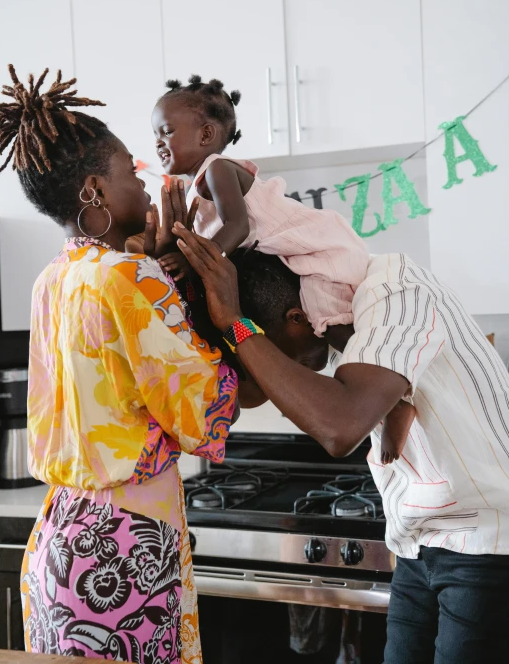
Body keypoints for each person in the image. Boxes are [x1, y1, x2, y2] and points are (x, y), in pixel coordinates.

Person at [0, 65, 238, 663]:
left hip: (60, 547)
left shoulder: (56, 278)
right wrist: (237, 323)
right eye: (131, 168)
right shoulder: (130, 277)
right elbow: (205, 412)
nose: (146, 179)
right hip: (122, 550)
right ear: (95, 190)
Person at [171, 227, 509, 664]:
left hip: (486, 542)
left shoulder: (395, 291)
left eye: (276, 349)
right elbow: (248, 394)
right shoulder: (339, 327)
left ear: (296, 319)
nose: (283, 370)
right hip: (416, 545)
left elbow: (339, 427)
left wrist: (237, 324)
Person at [152, 74, 414, 465]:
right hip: (291, 254)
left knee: (335, 327)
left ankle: (397, 401)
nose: (158, 141)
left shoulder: (217, 169)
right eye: (155, 133)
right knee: (331, 332)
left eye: (166, 131)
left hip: (313, 246)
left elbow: (237, 227)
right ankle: (389, 404)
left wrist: (196, 264)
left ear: (206, 134)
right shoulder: (191, 190)